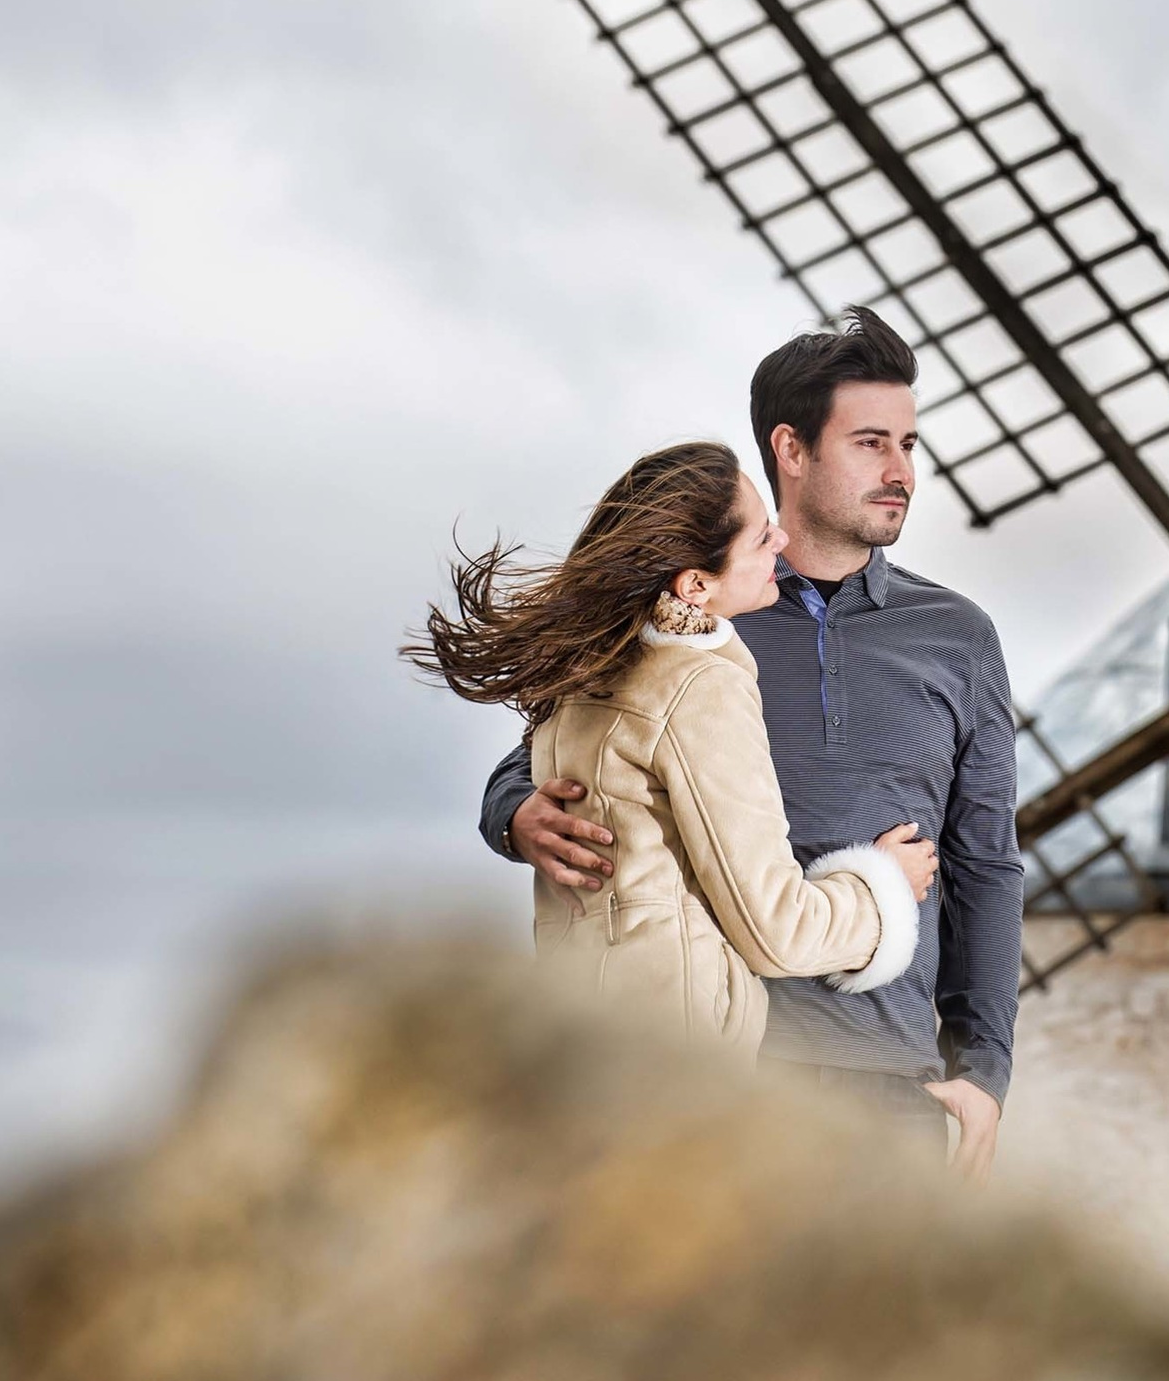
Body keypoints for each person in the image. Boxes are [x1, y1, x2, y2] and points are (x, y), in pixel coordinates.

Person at [479, 308, 1022, 1177]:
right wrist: (516, 815)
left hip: (891, 1087)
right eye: (872, 442)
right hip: (713, 1077)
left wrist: (984, 1070)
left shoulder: (959, 636)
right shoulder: (691, 621)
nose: (902, 472)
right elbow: (550, 752)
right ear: (792, 450)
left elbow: (987, 862)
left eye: (911, 444)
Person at [406, 441, 937, 1061]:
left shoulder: (584, 675)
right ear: (696, 584)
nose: (783, 545)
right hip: (680, 1056)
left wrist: (512, 813)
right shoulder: (700, 684)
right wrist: (883, 889)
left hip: (579, 1037)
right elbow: (778, 931)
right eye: (763, 538)